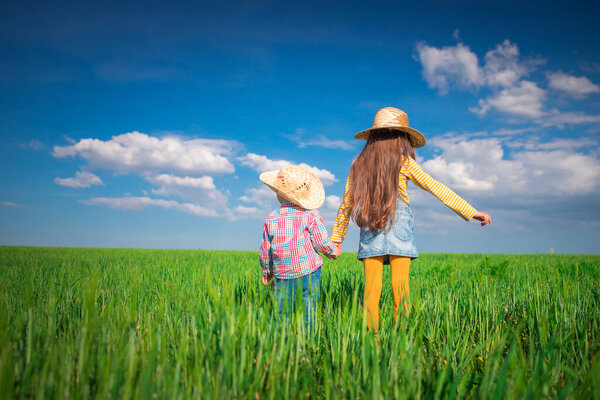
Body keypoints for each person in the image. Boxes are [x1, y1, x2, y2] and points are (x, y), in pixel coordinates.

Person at [331, 107, 491, 333]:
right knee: (401, 290)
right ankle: (401, 342)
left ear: (373, 137)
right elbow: (436, 188)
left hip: (370, 230)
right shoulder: (404, 162)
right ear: (401, 137)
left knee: (371, 292)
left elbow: (346, 204)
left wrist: (336, 240)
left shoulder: (358, 165)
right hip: (399, 229)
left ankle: (371, 344)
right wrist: (471, 211)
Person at [259, 165, 340, 330]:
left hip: (282, 273)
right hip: (308, 271)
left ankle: (282, 345)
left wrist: (267, 272)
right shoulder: (311, 214)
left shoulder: (272, 217)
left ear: (279, 194)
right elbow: (321, 242)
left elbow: (265, 250)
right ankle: (307, 346)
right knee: (309, 309)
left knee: (282, 312)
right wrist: (333, 251)